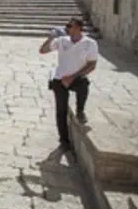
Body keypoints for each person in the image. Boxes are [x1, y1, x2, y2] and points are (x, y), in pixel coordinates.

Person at [39, 18, 98, 150]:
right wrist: (50, 38)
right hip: (60, 79)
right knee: (61, 111)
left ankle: (80, 110)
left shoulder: (89, 43)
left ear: (78, 28)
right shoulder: (62, 41)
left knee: (84, 85)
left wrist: (72, 77)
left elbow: (92, 65)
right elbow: (42, 51)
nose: (66, 28)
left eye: (69, 26)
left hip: (77, 78)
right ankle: (64, 141)